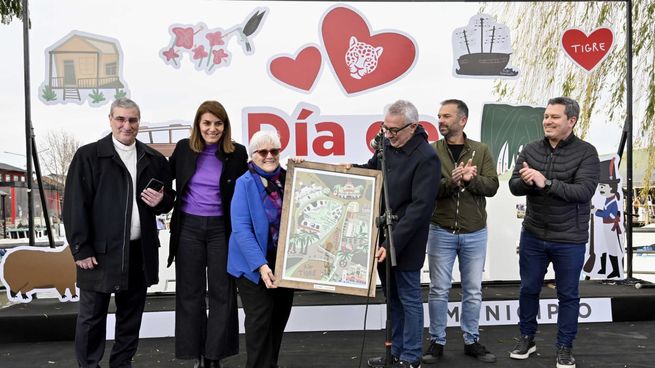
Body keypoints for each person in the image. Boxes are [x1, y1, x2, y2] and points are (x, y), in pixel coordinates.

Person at [63, 98, 175, 368]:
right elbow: (74, 205)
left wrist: (161, 201)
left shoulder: (154, 159)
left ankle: (121, 364)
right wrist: (81, 248)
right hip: (99, 253)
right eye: (121, 119)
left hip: (139, 251)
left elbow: (169, 198)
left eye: (133, 120)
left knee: (130, 317)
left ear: (139, 122)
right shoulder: (88, 156)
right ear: (110, 120)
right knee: (92, 317)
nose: (127, 125)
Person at [508, 97, 599, 368]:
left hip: (569, 239)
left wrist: (545, 182)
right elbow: (514, 185)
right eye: (546, 116)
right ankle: (527, 338)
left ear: (571, 121)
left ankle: (564, 347)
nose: (547, 121)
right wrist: (525, 182)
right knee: (528, 289)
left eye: (554, 117)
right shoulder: (531, 149)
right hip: (533, 234)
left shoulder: (586, 152)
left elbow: (583, 192)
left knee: (568, 295)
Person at [168, 100, 248, 368]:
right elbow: (166, 184)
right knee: (190, 292)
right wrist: (158, 197)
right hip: (189, 227)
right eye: (207, 123)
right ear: (197, 125)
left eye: (218, 123)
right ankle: (197, 355)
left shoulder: (238, 153)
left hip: (221, 230)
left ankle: (214, 356)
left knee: (222, 292)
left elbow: (249, 186)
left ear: (224, 126)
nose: (212, 129)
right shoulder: (183, 149)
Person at [362, 100, 441, 368]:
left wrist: (391, 242)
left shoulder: (427, 158)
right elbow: (371, 170)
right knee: (392, 298)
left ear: (413, 127)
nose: (388, 134)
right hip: (384, 235)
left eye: (394, 130)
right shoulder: (386, 146)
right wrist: (347, 171)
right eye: (385, 128)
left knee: (408, 298)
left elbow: (420, 209)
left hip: (405, 240)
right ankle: (394, 351)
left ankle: (411, 356)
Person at [422, 99, 498, 364]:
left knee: (473, 290)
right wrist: (451, 182)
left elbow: (492, 187)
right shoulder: (431, 151)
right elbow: (427, 190)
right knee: (438, 289)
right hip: (441, 229)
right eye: (439, 116)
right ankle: (436, 341)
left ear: (462, 120)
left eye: (446, 116)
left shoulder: (481, 150)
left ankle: (471, 340)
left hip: (475, 231)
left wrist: (470, 179)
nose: (440, 120)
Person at [227, 130, 295, 368]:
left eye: (274, 151)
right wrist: (261, 265)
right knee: (259, 321)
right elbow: (241, 229)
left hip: (284, 262)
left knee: (278, 319)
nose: (269, 156)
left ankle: (270, 364)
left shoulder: (291, 178)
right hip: (251, 265)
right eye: (262, 152)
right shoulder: (244, 184)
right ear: (252, 155)